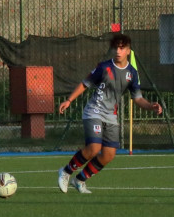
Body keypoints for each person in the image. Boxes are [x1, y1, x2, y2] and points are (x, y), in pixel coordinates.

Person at [57, 33, 162, 194]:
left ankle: (79, 180)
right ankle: (66, 171)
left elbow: (138, 98)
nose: (118, 51)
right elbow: (85, 84)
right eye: (116, 47)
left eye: (122, 48)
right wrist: (69, 100)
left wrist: (151, 106)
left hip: (111, 116)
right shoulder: (104, 67)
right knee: (93, 148)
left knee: (109, 154)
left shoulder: (132, 73)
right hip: (94, 111)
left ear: (128, 50)